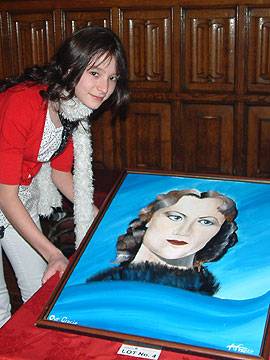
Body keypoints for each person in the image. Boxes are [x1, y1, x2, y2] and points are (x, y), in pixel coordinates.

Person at [0, 25, 129, 326]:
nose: (104, 87)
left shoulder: (72, 111)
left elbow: (61, 176)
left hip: (15, 196)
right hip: (8, 195)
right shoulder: (24, 103)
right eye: (95, 73)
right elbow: (5, 196)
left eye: (112, 78)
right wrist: (54, 252)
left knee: (39, 292)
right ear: (72, 68)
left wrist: (102, 219)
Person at [88, 189, 238, 295]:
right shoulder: (98, 288)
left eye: (205, 222)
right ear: (150, 219)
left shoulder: (206, 303)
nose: (184, 231)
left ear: (218, 233)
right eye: (175, 217)